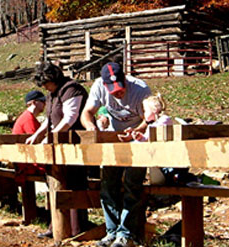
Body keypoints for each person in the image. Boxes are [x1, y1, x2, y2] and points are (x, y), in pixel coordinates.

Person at [80, 62, 151, 247]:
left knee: (132, 185)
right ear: (105, 85)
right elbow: (86, 112)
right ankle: (112, 232)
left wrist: (136, 131)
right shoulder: (98, 87)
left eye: (120, 88)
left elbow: (150, 118)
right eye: (112, 90)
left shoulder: (141, 89)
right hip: (113, 139)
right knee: (108, 185)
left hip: (138, 141)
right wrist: (91, 128)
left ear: (125, 79)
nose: (117, 92)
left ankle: (127, 234)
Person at [24, 62, 93, 237]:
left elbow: (70, 117)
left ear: (53, 79)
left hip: (74, 145)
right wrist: (38, 135)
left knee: (74, 184)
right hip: (58, 146)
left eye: (45, 83)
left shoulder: (72, 89)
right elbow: (49, 119)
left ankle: (77, 229)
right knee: (56, 183)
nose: (44, 87)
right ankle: (57, 225)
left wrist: (52, 136)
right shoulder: (51, 94)